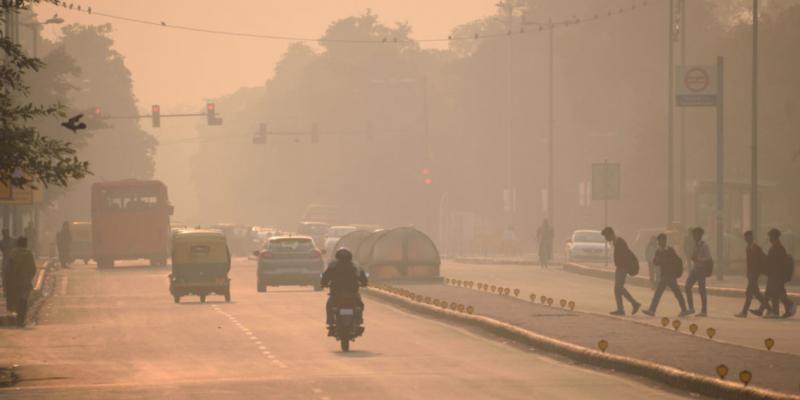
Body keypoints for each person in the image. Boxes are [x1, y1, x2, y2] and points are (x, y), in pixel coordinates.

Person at [320, 248, 368, 336]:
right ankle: (358, 323)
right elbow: (363, 279)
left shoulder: (333, 266)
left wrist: (323, 284)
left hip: (337, 294)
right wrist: (364, 283)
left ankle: (331, 325)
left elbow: (325, 277)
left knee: (330, 305)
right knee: (359, 306)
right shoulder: (355, 266)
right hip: (352, 293)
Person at [643, 234, 690, 317]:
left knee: (671, 292)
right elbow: (655, 262)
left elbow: (675, 260)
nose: (661, 242)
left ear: (665, 240)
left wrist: (662, 260)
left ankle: (652, 310)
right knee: (663, 292)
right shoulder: (658, 251)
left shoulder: (670, 250)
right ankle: (684, 309)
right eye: (660, 240)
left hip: (670, 274)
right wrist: (658, 259)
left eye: (663, 240)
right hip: (665, 275)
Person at [601, 227, 641, 316]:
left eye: (606, 236)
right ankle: (623, 308)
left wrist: (622, 267)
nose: (606, 239)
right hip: (620, 267)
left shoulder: (620, 242)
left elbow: (624, 256)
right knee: (617, 289)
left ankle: (632, 304)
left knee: (618, 288)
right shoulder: (617, 242)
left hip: (623, 268)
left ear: (610, 234)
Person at [763, 228, 796, 319]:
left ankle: (788, 305)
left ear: (775, 237)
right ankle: (780, 311)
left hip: (777, 275)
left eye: (770, 236)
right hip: (774, 275)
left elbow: (778, 264)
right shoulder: (774, 247)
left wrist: (778, 276)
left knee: (776, 293)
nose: (769, 238)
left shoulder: (779, 248)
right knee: (778, 293)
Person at [6, 237, 36, 327]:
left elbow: (8, 269)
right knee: (23, 300)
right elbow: (33, 269)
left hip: (14, 282)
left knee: (16, 300)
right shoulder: (29, 254)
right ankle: (21, 320)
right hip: (25, 282)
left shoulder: (12, 254)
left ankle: (18, 319)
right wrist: (29, 278)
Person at [737, 230, 768, 317]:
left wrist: (756, 273)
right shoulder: (748, 248)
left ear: (752, 237)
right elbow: (749, 263)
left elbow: (759, 262)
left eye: (749, 237)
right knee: (753, 293)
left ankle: (744, 312)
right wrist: (748, 273)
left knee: (752, 293)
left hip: (755, 274)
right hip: (751, 274)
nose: (747, 239)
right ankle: (769, 308)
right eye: (746, 238)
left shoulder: (756, 248)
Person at [685, 227, 712, 317]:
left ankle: (704, 311)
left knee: (702, 290)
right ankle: (691, 308)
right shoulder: (695, 245)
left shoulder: (704, 245)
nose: (694, 236)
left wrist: (698, 258)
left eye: (695, 234)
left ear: (700, 235)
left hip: (701, 269)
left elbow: (708, 258)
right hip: (695, 269)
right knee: (687, 286)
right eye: (693, 234)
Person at [1, 228, 14, 312]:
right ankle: (6, 290)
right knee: (5, 278)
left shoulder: (12, 241)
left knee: (10, 278)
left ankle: (9, 291)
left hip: (10, 262)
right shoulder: (2, 242)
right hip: (6, 262)